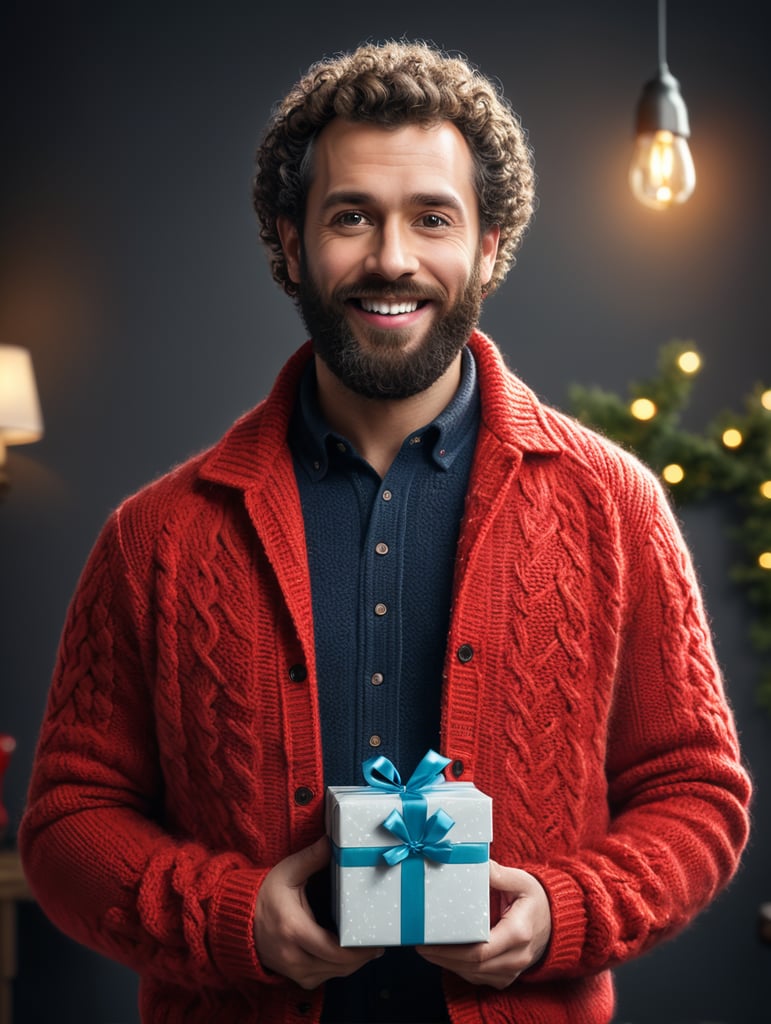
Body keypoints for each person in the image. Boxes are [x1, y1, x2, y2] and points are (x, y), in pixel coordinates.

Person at [19, 40, 751, 1024]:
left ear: (490, 243)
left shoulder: (616, 505)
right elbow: (68, 825)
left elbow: (697, 794)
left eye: (432, 218)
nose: (392, 258)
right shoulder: (153, 538)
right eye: (351, 216)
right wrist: (236, 921)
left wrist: (562, 911)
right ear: (289, 241)